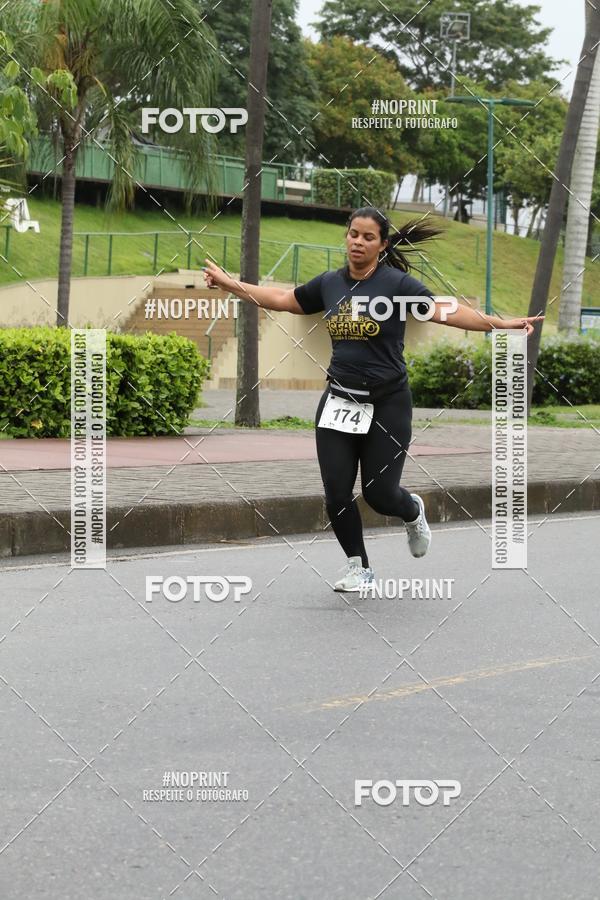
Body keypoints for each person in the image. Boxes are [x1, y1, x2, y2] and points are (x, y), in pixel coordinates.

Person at [203, 206, 542, 592]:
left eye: (367, 237)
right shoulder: (330, 283)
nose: (357, 242)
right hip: (340, 400)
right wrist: (231, 284)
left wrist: (499, 325)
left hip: (388, 402)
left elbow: (445, 311)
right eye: (353, 234)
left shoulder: (397, 284)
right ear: (346, 237)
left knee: (379, 495)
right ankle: (358, 567)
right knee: (336, 492)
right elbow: (283, 299)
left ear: (381, 245)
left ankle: (412, 510)